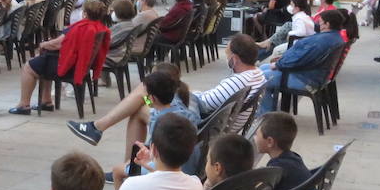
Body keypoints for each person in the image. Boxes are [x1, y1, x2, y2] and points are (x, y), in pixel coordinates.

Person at [69, 33, 267, 150]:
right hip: (206, 122)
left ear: (236, 58)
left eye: (228, 54)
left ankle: (103, 133)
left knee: (143, 99)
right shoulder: (256, 75)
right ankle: (99, 129)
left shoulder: (238, 80)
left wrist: (184, 89)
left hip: (191, 126)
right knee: (146, 94)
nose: (227, 58)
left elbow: (204, 103)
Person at [9, 0, 111, 115]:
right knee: (43, 60)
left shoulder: (81, 27)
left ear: (85, 14)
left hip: (68, 67)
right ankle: (46, 101)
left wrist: (43, 44)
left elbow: (58, 44)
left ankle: (24, 105)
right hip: (81, 66)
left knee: (28, 67)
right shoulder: (100, 28)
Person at [257, 9, 346, 113]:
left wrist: (278, 64)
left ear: (327, 24)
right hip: (310, 75)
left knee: (259, 79)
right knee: (262, 69)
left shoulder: (321, 41)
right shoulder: (334, 37)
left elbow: (300, 60)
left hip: (304, 79)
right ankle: (269, 108)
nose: (318, 24)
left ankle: (266, 114)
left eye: (320, 22)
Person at [253, 111, 310, 190]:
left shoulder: (275, 169)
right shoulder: (294, 157)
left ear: (270, 142)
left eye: (256, 134)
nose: (254, 138)